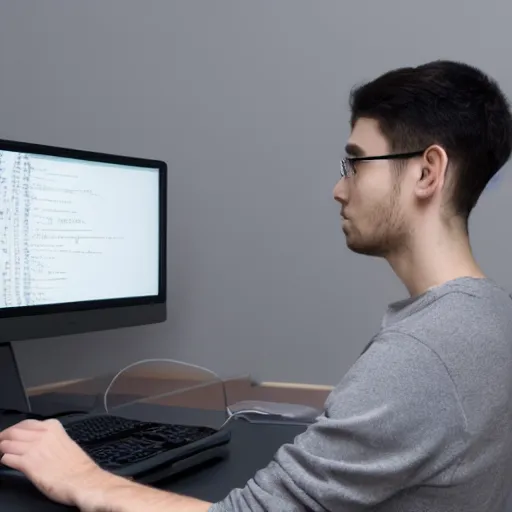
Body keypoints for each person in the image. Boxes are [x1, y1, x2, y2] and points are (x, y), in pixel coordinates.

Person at [1, 59, 512, 512]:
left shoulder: (420, 355)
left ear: (428, 172)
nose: (339, 189)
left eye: (355, 163)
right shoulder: (491, 315)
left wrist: (82, 477)